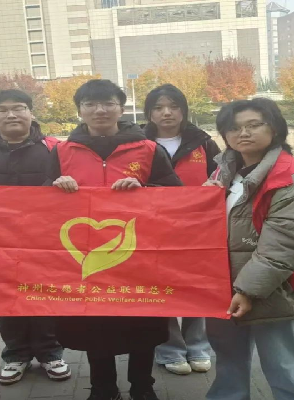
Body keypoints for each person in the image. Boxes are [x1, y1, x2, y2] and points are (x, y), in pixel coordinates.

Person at [48, 79, 182, 400]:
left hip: (139, 252)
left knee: (143, 321)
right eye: (91, 104)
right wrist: (55, 185)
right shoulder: (62, 151)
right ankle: (103, 387)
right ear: (80, 110)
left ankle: (142, 385)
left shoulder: (148, 149)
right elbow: (40, 201)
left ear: (121, 108)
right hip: (85, 256)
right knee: (95, 324)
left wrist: (144, 190)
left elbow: (175, 194)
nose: (100, 110)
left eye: (108, 103)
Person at [204, 98, 294, 400]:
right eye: (234, 128)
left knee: (283, 364)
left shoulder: (292, 178)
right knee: (228, 359)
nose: (243, 133)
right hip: (223, 285)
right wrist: (203, 200)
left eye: (253, 125)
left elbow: (286, 243)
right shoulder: (224, 171)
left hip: (273, 289)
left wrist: (247, 290)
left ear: (274, 128)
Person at [0, 89, 70, 385]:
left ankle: (50, 352)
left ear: (31, 112)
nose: (11, 115)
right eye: (2, 109)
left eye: (18, 108)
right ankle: (15, 354)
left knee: (45, 294)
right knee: (5, 296)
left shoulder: (56, 149)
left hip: (45, 238)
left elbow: (74, 186)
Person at [142, 84, 219, 375]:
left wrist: (216, 185)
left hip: (197, 227)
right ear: (149, 113)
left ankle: (198, 345)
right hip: (152, 227)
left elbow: (223, 174)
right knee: (160, 286)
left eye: (174, 106)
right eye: (159, 107)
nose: (167, 113)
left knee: (196, 285)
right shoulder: (137, 144)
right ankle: (169, 348)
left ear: (184, 110)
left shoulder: (204, 143)